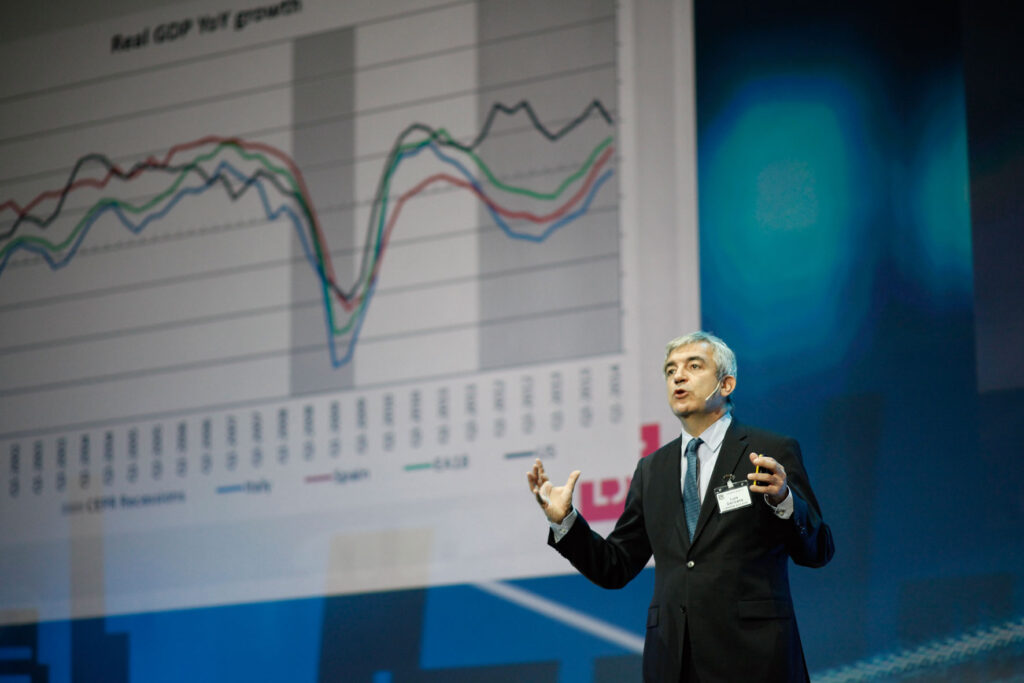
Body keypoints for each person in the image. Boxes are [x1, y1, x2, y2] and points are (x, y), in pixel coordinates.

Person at [527, 331, 834, 682]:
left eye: (694, 366)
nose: (679, 376)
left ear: (727, 384)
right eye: (670, 370)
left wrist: (785, 501)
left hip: (755, 657)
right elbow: (615, 566)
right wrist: (565, 521)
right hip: (673, 662)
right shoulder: (652, 469)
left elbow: (819, 549)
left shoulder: (770, 450)